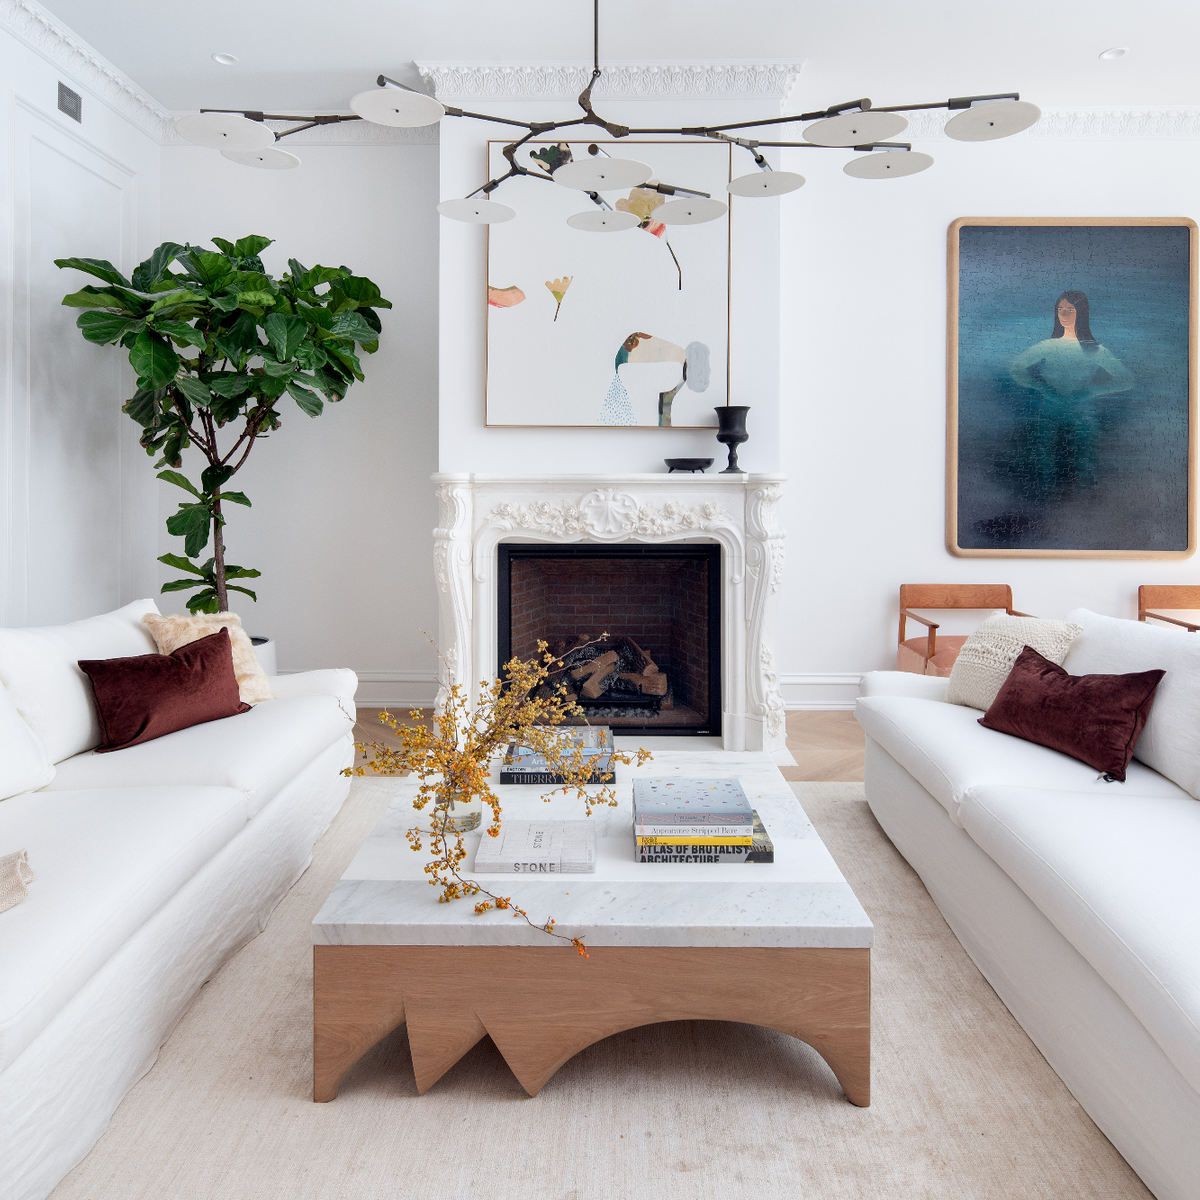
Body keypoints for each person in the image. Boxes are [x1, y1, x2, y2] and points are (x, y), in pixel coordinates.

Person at [1008, 290, 1132, 496]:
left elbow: (1127, 379)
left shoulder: (1095, 349)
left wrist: (1090, 392)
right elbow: (1015, 368)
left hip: (1081, 409)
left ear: (1081, 312)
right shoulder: (1048, 346)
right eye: (1060, 309)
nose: (1063, 314)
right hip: (1051, 406)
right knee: (1043, 454)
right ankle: (1046, 497)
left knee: (1085, 456)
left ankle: (1085, 503)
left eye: (1070, 309)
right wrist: (1042, 388)